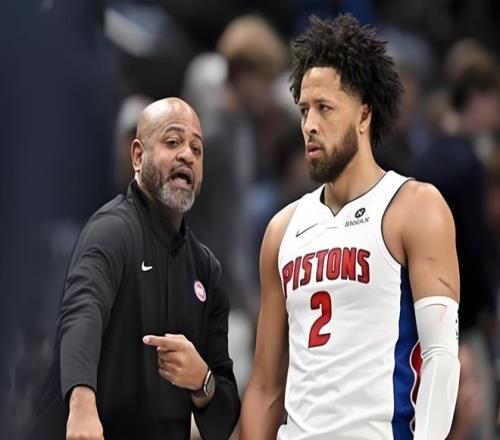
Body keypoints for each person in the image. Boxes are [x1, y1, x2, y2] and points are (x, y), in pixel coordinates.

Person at [240, 14, 460, 440]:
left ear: (364, 115)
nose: (309, 125)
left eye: (324, 108)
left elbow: (440, 355)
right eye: (304, 110)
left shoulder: (414, 207)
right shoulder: (281, 230)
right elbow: (265, 386)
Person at [30, 98, 240, 440]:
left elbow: (223, 419)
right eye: (173, 142)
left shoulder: (206, 269)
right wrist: (82, 405)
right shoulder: (111, 231)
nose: (187, 155)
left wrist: (202, 381)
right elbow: (82, 312)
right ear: (138, 156)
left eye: (197, 149)